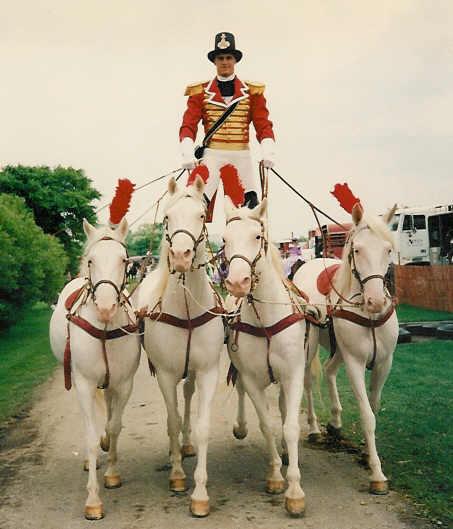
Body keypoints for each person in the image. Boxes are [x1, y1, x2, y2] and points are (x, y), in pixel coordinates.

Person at [179, 32, 276, 210]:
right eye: (221, 58)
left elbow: (263, 125)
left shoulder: (253, 92)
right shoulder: (199, 92)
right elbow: (188, 125)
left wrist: (268, 151)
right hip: (212, 156)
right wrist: (186, 152)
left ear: (235, 60)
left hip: (241, 156)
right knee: (192, 206)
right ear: (214, 61)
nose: (225, 62)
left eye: (228, 57)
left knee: (249, 211)